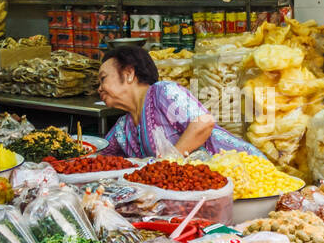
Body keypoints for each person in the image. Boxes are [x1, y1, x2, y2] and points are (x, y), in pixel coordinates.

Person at [98, 45, 261, 158]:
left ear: (128, 73)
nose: (99, 89)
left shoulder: (162, 91)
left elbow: (204, 122)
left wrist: (170, 160)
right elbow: (98, 154)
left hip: (241, 173)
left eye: (103, 78)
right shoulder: (124, 127)